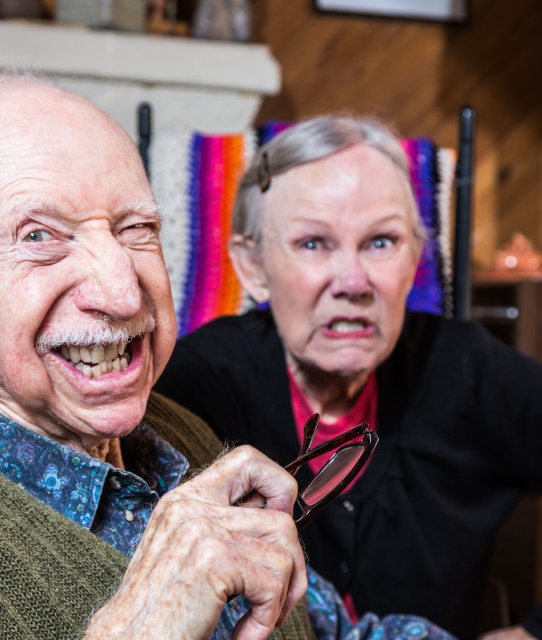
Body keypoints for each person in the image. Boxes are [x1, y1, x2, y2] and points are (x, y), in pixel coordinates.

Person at [0, 74, 454, 640]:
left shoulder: (175, 429)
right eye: (40, 237)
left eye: (136, 228)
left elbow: (331, 628)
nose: (123, 294)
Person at [154, 114, 542, 640]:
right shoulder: (192, 388)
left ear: (415, 260)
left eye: (381, 242)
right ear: (252, 266)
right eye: (314, 243)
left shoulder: (465, 368)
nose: (354, 281)